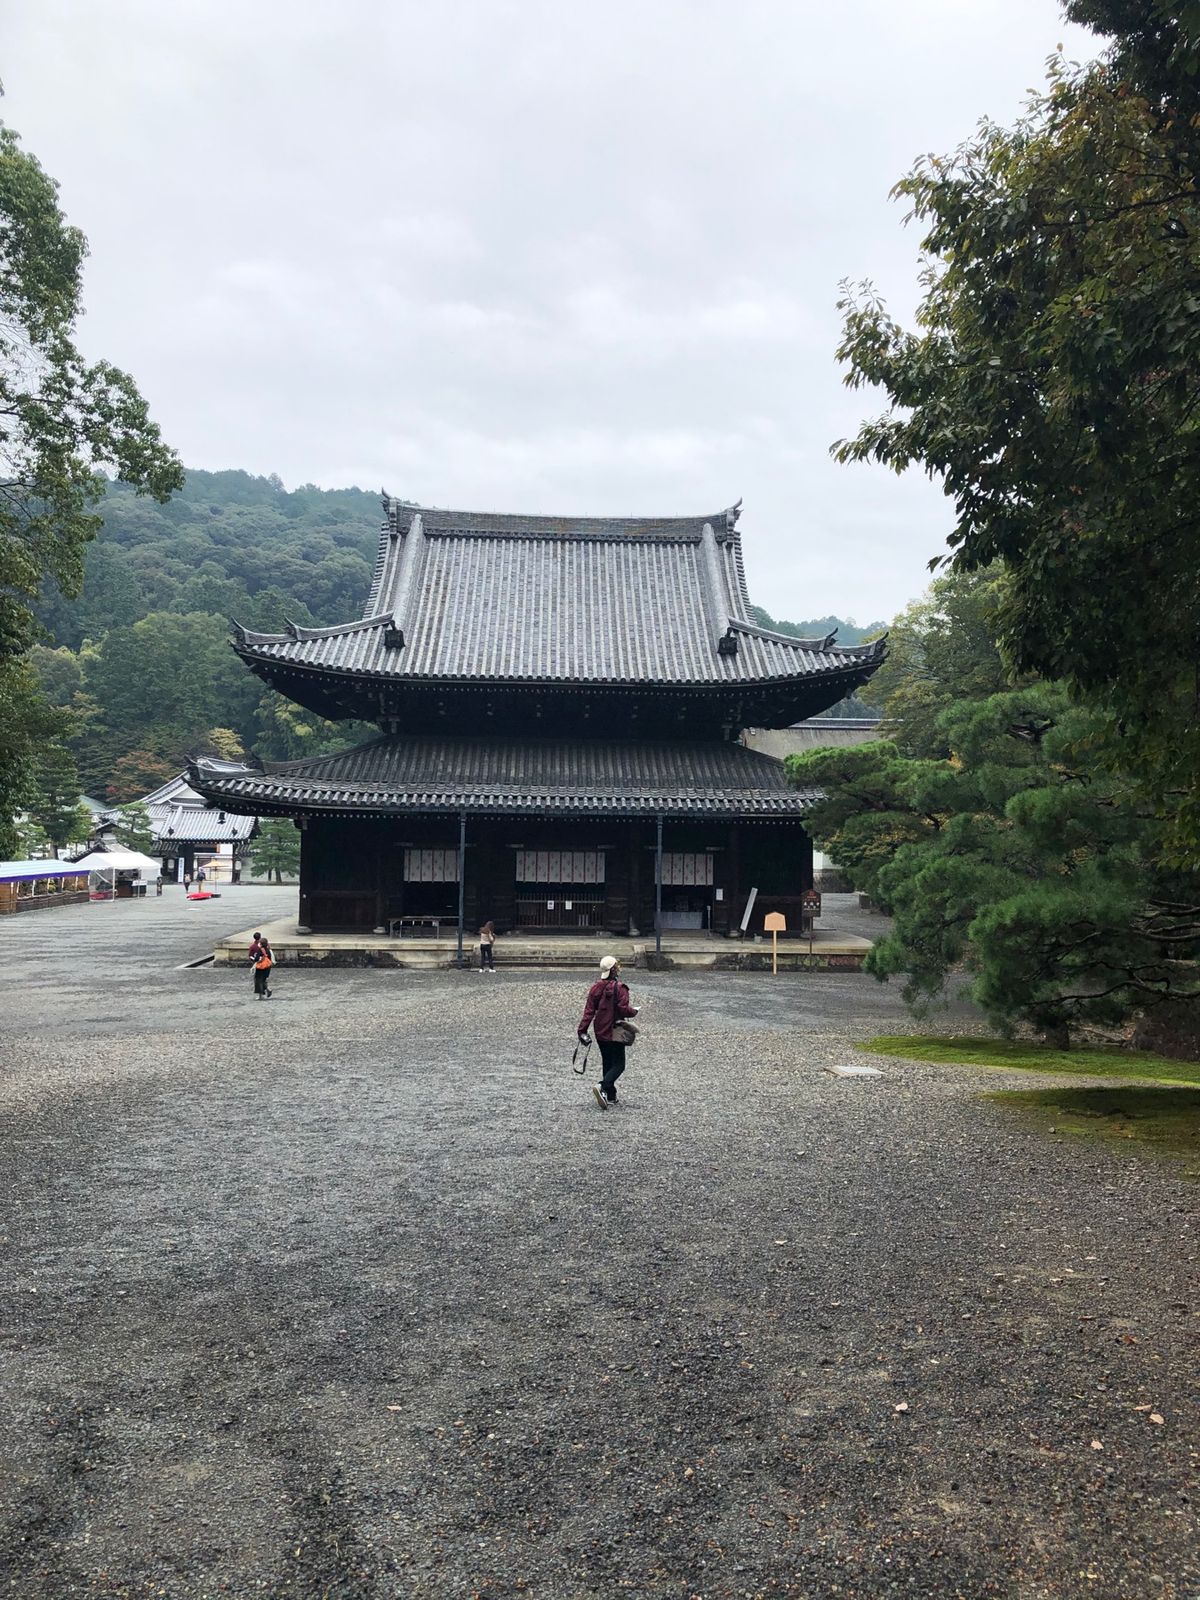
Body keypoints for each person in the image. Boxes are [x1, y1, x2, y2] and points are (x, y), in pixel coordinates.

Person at [578, 955, 639, 1110]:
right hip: (615, 1029)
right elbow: (623, 1009)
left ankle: (610, 1095)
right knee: (619, 1064)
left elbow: (589, 1011)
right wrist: (634, 1012)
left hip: (600, 1029)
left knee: (607, 1061)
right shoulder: (620, 988)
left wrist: (582, 1030)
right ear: (614, 970)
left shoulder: (595, 988)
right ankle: (603, 1086)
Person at [252, 935, 274, 999]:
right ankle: (267, 990)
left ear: (261, 944)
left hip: (260, 967)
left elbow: (256, 959)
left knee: (258, 981)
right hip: (267, 967)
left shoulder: (260, 950)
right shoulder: (268, 950)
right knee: (263, 980)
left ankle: (261, 996)